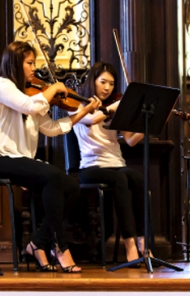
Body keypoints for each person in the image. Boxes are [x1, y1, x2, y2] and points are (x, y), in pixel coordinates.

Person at [0, 41, 101, 273]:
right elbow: (28, 106)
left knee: (71, 187)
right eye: (29, 63)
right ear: (15, 63)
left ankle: (37, 244)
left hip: (21, 160)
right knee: (53, 176)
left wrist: (82, 111)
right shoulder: (0, 86)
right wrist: (54, 88)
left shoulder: (33, 94)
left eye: (34, 62)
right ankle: (60, 247)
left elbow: (53, 128)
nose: (34, 68)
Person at [71, 61, 149, 265]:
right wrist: (112, 108)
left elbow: (130, 140)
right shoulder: (77, 106)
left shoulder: (115, 107)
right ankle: (129, 244)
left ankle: (143, 240)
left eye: (112, 84)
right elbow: (91, 120)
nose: (107, 88)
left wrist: (151, 124)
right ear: (93, 81)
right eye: (103, 82)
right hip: (90, 166)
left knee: (139, 179)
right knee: (120, 178)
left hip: (115, 163)